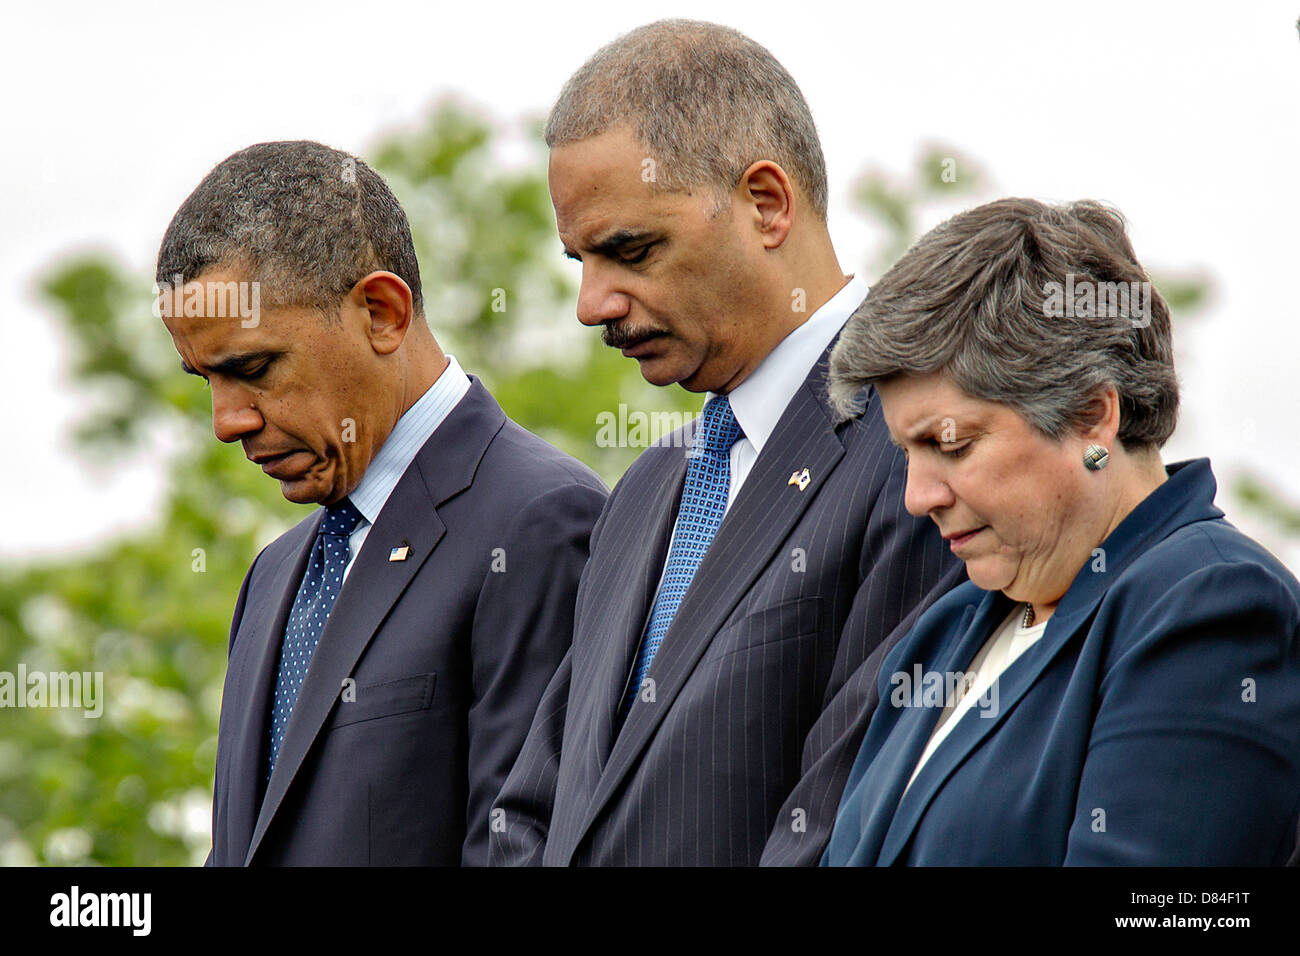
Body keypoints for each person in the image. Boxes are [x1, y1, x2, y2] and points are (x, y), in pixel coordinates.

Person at [489, 20, 963, 867]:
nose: (592, 303)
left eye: (630, 249)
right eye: (579, 261)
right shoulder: (643, 491)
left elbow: (840, 823)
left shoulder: (916, 455)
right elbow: (534, 813)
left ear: (766, 203)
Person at [154, 140, 607, 866]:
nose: (226, 421)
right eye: (203, 379)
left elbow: (519, 849)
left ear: (382, 311)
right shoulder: (274, 575)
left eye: (252, 368)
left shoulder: (541, 521)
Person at [821, 197, 1300, 865]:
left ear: (1091, 416)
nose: (916, 497)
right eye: (908, 452)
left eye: (950, 445)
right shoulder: (947, 628)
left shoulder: (1210, 605)